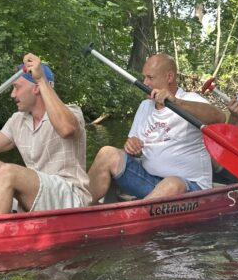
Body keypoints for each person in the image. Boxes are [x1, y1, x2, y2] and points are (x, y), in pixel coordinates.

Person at [0, 53, 90, 217]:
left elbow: (66, 128)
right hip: (36, 195)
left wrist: (41, 79)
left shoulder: (71, 112)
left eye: (17, 87)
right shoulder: (18, 120)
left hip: (69, 198)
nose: (12, 95)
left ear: (36, 87)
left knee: (9, 172)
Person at [86, 53, 225, 204]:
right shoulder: (145, 106)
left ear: (169, 77)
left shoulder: (189, 99)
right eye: (144, 77)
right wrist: (132, 147)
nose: (145, 83)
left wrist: (177, 103)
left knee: (172, 184)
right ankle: (79, 210)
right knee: (107, 153)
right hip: (150, 183)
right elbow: (135, 149)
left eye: (150, 78)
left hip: (190, 188)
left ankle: (130, 217)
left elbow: (219, 117)